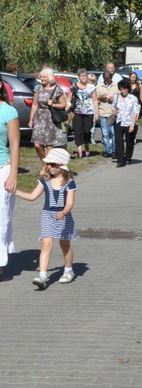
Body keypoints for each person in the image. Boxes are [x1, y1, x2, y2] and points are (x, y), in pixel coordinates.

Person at [14, 148, 77, 290]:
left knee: (65, 244)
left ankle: (68, 270)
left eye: (52, 164)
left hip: (64, 217)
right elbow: (32, 196)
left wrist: (64, 212)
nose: (48, 166)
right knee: (46, 244)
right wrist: (15, 191)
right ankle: (42, 276)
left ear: (62, 166)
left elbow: (70, 203)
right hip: (47, 215)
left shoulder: (69, 182)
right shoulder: (44, 181)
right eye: (47, 164)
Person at [29, 69, 67, 175]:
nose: (42, 79)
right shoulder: (38, 88)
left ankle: (49, 167)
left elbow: (63, 104)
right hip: (39, 117)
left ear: (49, 77)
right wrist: (31, 119)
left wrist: (53, 104)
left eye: (44, 77)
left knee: (49, 146)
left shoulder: (57, 89)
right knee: (37, 145)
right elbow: (34, 104)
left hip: (51, 118)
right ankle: (44, 164)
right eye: (41, 77)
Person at [0, 76, 19, 281]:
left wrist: (13, 174)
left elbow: (14, 145)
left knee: (1, 217)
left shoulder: (8, 111)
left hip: (2, 169)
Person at [112, 80, 141, 168]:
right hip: (119, 121)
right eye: (121, 89)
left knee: (130, 142)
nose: (123, 91)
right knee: (118, 141)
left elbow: (135, 112)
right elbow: (113, 107)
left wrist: (132, 124)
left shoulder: (133, 98)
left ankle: (128, 157)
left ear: (128, 89)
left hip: (129, 122)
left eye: (124, 89)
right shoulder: (116, 97)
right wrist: (114, 111)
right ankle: (120, 160)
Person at [71, 69, 99, 158]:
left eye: (85, 76)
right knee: (77, 131)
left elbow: (95, 100)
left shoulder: (91, 87)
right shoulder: (74, 86)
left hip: (89, 112)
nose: (83, 77)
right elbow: (69, 97)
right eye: (81, 76)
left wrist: (97, 112)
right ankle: (79, 150)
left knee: (87, 131)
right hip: (77, 112)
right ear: (78, 77)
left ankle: (86, 145)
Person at [95, 71, 119, 158]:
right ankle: (107, 149)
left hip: (112, 113)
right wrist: (100, 97)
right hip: (103, 112)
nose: (106, 81)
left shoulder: (116, 86)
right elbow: (95, 99)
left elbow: (120, 98)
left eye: (108, 79)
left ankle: (114, 150)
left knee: (113, 133)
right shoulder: (99, 86)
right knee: (105, 133)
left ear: (111, 78)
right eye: (105, 79)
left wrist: (114, 99)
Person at [87, 73, 98, 145]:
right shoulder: (85, 87)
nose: (91, 82)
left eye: (93, 81)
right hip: (85, 108)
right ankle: (86, 138)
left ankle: (91, 138)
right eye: (90, 80)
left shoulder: (95, 88)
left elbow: (96, 99)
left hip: (93, 107)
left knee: (93, 124)